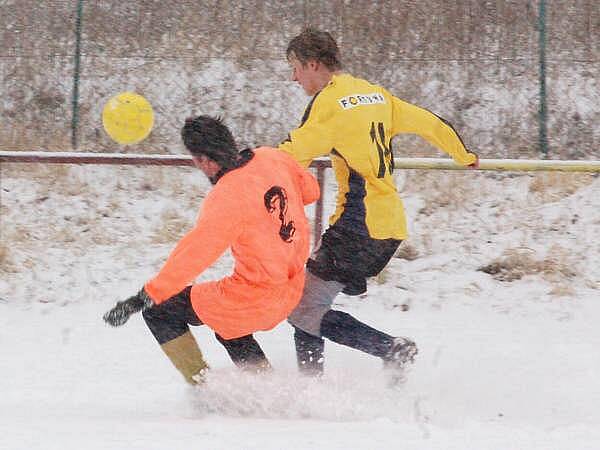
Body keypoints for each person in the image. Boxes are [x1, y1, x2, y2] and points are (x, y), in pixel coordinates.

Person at [277, 28, 479, 377]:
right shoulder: (376, 95)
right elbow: (433, 123)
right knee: (308, 305)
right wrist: (464, 155)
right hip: (389, 227)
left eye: (295, 68)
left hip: (358, 224)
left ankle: (388, 350)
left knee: (302, 307)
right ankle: (312, 385)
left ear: (312, 64)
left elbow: (291, 156)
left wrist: (247, 171)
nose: (294, 77)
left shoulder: (328, 104)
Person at [103, 115, 320, 384]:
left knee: (159, 311)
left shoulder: (227, 196)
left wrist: (142, 298)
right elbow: (311, 191)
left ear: (203, 160)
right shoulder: (272, 157)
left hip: (258, 297)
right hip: (294, 285)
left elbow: (193, 256)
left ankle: (203, 386)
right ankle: (267, 387)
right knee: (226, 322)